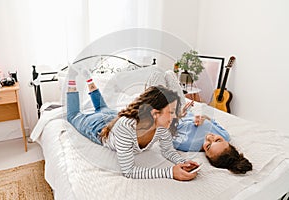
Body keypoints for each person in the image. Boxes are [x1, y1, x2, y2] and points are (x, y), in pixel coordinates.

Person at [66, 67, 200, 181]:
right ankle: (72, 77)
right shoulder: (126, 128)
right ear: (155, 113)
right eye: (170, 112)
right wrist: (171, 172)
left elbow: (168, 150)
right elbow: (129, 171)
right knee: (73, 116)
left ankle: (89, 81)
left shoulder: (162, 125)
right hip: (99, 127)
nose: (174, 116)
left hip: (115, 117)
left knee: (103, 108)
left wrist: (183, 163)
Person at [147, 70, 253, 174]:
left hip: (167, 112)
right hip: (183, 106)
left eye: (208, 146)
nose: (210, 137)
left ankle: (146, 96)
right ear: (227, 143)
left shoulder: (187, 144)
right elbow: (212, 121)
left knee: (156, 74)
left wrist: (177, 116)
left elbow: (163, 130)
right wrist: (203, 118)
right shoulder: (225, 135)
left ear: (206, 155)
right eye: (218, 140)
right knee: (169, 74)